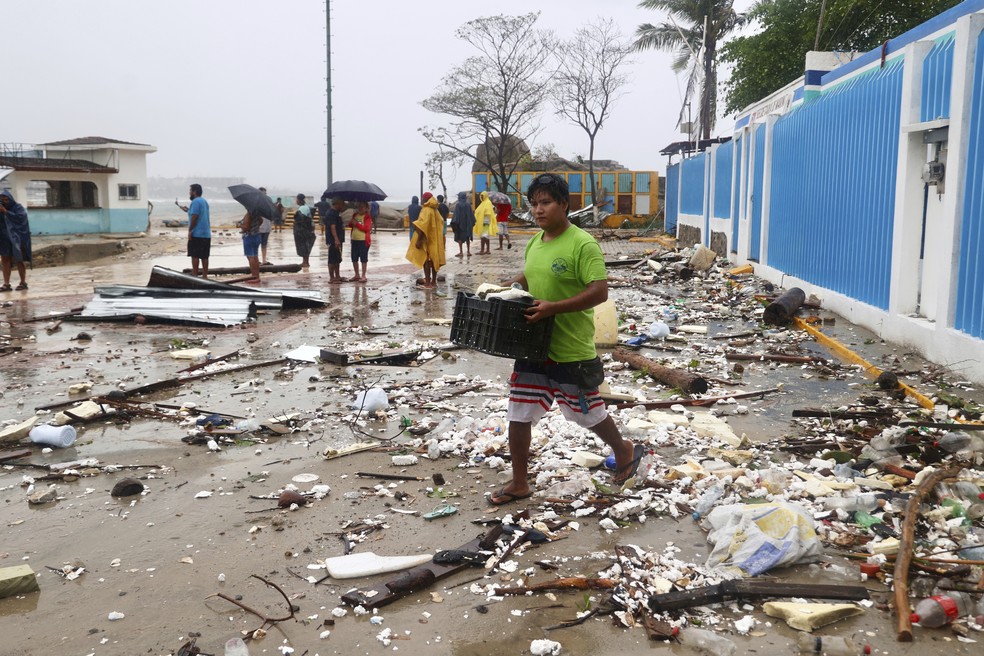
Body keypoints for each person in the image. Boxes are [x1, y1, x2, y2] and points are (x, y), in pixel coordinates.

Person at [489, 173, 639, 506]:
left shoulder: (582, 243)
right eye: (534, 204)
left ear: (564, 205)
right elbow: (529, 275)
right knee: (519, 412)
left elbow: (599, 292)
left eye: (545, 203)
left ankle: (623, 448)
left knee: (587, 414)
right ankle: (519, 482)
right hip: (533, 346)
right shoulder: (534, 241)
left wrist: (553, 308)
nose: (538, 211)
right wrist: (506, 288)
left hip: (570, 348)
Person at [405, 192, 446, 288]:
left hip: (426, 240)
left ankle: (427, 283)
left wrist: (419, 240)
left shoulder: (426, 210)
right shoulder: (436, 210)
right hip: (434, 239)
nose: (422, 200)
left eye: (423, 199)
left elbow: (422, 226)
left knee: (426, 261)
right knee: (434, 260)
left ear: (425, 199)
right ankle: (434, 282)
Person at [176, 184, 211, 277]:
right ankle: (205, 276)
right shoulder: (204, 201)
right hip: (206, 234)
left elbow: (195, 216)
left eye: (190, 191)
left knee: (195, 255)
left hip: (197, 233)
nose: (189, 193)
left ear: (194, 191)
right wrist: (186, 209)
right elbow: (194, 213)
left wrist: (190, 230)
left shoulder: (195, 202)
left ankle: (195, 275)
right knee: (204, 256)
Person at [0, 190, 32, 291]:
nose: (5, 201)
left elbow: (21, 218)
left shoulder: (17, 207)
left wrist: (6, 212)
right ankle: (6, 284)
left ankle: (23, 282)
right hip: (4, 238)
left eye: (6, 199)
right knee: (5, 260)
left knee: (19, 259)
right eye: (2, 199)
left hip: (17, 238)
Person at [322, 197, 346, 284]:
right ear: (337, 204)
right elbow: (333, 227)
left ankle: (337, 276)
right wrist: (336, 239)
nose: (343, 206)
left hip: (339, 239)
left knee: (337, 258)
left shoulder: (337, 213)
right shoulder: (331, 213)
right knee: (332, 259)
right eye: (342, 204)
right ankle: (332, 277)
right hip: (333, 240)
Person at [348, 200, 372, 282]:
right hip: (354, 240)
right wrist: (352, 221)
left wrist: (357, 224)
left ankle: (363, 275)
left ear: (366, 208)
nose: (360, 208)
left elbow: (366, 228)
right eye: (359, 206)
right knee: (354, 258)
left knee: (363, 258)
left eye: (362, 206)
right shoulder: (355, 215)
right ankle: (356, 274)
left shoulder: (367, 217)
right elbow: (350, 225)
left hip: (363, 240)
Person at [293, 193, 316, 268]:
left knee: (303, 246)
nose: (296, 201)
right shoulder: (306, 207)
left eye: (297, 199)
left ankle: (305, 262)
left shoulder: (302, 209)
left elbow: (300, 219)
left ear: (299, 200)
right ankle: (305, 262)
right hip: (307, 230)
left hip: (302, 230)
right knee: (306, 245)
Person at [450, 191, 475, 258]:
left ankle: (461, 252)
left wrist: (455, 223)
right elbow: (471, 215)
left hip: (460, 224)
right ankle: (468, 251)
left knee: (460, 238)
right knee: (467, 238)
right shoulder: (468, 205)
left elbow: (456, 215)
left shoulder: (458, 205)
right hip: (467, 224)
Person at [239, 210, 262, 283]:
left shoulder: (249, 214)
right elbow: (261, 220)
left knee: (250, 257)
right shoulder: (257, 212)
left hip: (249, 236)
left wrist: (240, 225)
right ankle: (257, 276)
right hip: (257, 235)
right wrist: (255, 227)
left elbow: (246, 227)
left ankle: (254, 276)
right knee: (255, 256)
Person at [473, 190, 497, 254]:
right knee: (482, 236)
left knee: (485, 236)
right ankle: (483, 250)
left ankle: (486, 250)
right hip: (481, 222)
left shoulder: (488, 202)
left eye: (483, 196)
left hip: (486, 222)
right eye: (481, 196)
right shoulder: (483, 203)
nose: (482, 197)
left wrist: (482, 213)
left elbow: (488, 212)